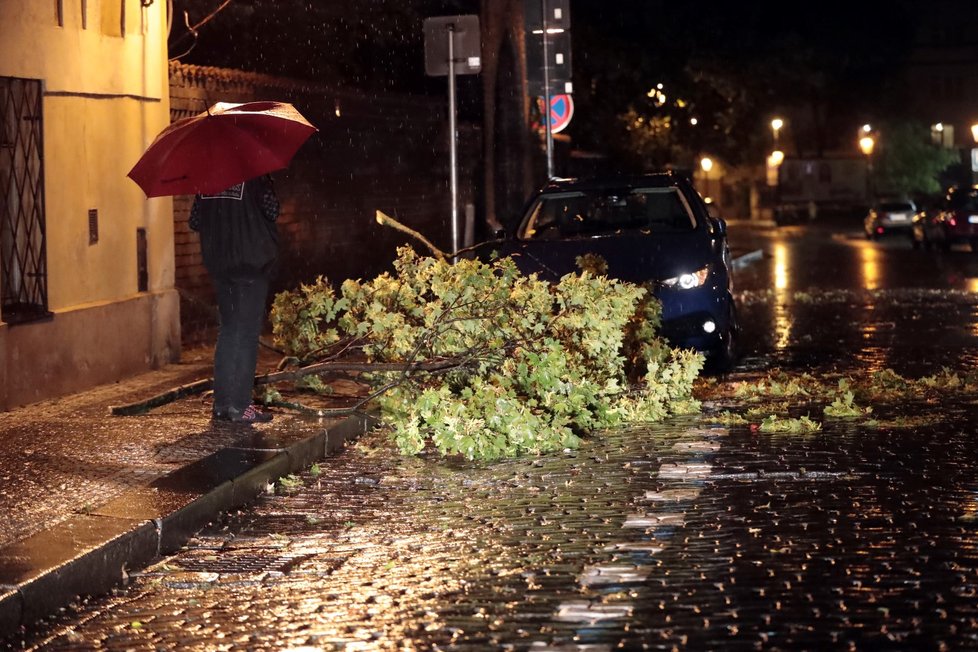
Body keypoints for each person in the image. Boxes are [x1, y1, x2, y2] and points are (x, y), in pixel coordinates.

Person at [189, 174, 279, 423]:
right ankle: (241, 405)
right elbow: (272, 210)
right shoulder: (254, 176)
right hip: (250, 262)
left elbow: (195, 221)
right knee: (247, 335)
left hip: (220, 263)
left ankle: (222, 405)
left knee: (228, 331)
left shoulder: (207, 181)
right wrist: (266, 182)